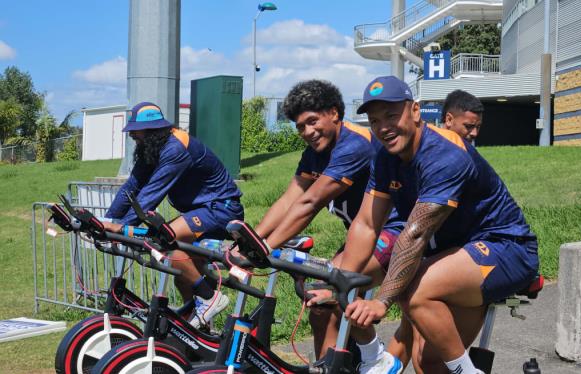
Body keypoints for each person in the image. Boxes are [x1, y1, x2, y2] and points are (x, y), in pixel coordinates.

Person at [343, 76, 539, 374]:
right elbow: (367, 223)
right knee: (429, 363)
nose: (383, 127)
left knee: (414, 293)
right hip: (457, 252)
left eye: (392, 115)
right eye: (374, 120)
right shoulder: (385, 156)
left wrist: (382, 301)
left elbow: (416, 233)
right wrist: (341, 280)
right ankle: (375, 357)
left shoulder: (445, 153)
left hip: (506, 247)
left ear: (416, 111)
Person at [253, 80, 403, 373]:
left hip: (396, 231)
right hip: (363, 236)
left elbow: (310, 203)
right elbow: (290, 199)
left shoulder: (354, 144)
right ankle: (328, 367)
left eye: (312, 121)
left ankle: (376, 357)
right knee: (320, 306)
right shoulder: (315, 152)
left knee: (327, 289)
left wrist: (265, 247)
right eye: (300, 127)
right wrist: (253, 238)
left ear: (334, 113)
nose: (307, 132)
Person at [103, 102, 244, 329]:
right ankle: (196, 323)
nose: (132, 136)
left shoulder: (176, 148)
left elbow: (150, 195)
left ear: (151, 131)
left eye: (135, 131)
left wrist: (122, 228)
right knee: (181, 271)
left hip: (220, 210)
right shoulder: (153, 148)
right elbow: (132, 186)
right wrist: (107, 221)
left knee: (163, 241)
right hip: (200, 212)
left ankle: (209, 298)